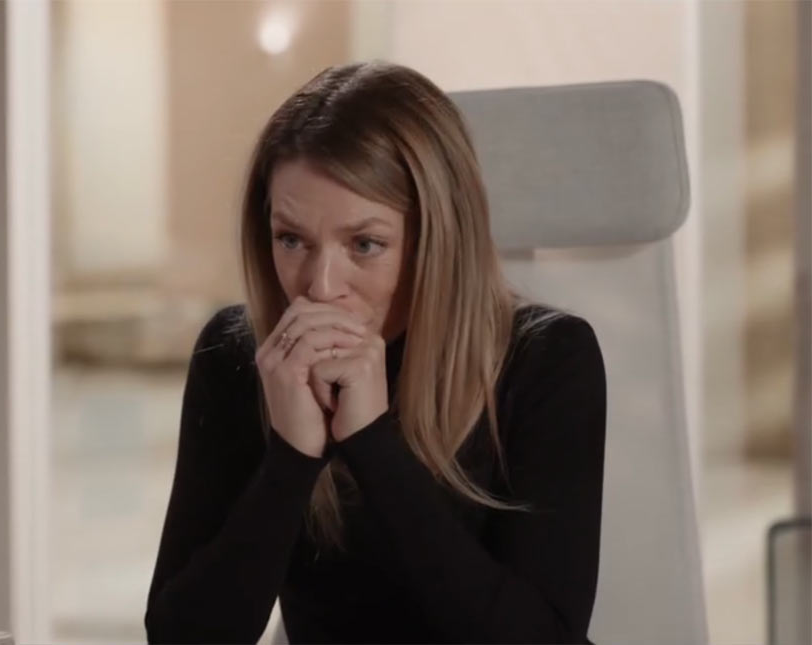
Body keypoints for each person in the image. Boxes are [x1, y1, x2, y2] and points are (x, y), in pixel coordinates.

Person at [144, 61, 606, 644]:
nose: (320, 287)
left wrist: (371, 443)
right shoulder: (239, 358)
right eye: (292, 239)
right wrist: (290, 459)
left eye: (365, 244)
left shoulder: (548, 360)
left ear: (439, 239)